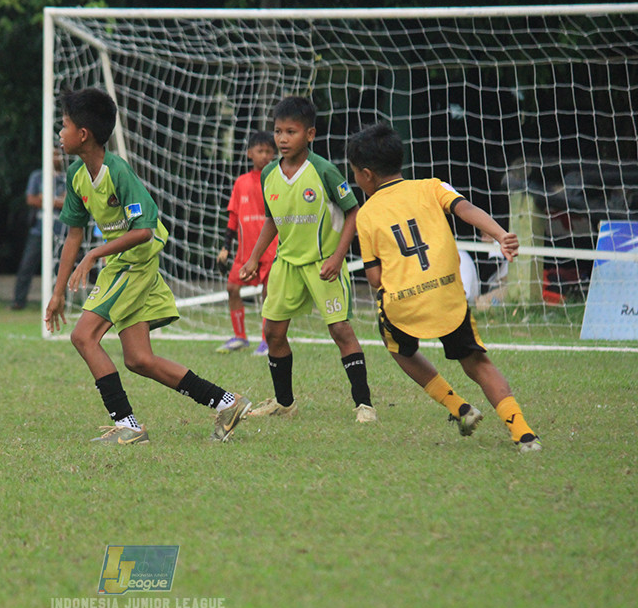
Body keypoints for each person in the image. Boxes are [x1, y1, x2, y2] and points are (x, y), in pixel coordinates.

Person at [44, 88, 252, 444]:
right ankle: (228, 402)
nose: (59, 134)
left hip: (134, 264)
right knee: (139, 359)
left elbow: (143, 231)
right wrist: (57, 291)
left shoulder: (118, 172)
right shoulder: (78, 174)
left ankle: (128, 426)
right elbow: (73, 236)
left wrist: (96, 254)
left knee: (83, 336)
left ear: (83, 134)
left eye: (63, 126)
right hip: (123, 263)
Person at [346, 122, 541, 452]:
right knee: (477, 363)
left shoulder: (366, 215)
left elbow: (375, 278)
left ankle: (459, 407)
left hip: (405, 305)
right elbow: (465, 209)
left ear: (366, 174)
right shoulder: (431, 186)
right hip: (448, 296)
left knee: (397, 346)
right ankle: (524, 433)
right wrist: (498, 234)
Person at [240, 96, 376, 423]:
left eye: (291, 132)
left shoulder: (324, 170)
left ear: (310, 135)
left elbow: (353, 211)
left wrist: (337, 256)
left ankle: (364, 404)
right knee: (272, 332)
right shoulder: (268, 173)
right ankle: (284, 404)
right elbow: (272, 219)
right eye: (278, 131)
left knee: (340, 330)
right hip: (286, 265)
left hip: (322, 264)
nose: (283, 139)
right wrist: (254, 258)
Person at [215, 131, 278, 356]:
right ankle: (240, 336)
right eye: (260, 151)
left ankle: (266, 340)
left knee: (268, 294)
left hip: (270, 249)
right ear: (250, 153)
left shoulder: (275, 179)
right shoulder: (241, 182)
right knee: (232, 288)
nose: (264, 156)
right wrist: (225, 247)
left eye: (269, 152)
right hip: (244, 251)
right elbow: (233, 218)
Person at [11, 146, 67, 310]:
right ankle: (18, 301)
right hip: (38, 230)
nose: (55, 158)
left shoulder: (67, 177)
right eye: (52, 154)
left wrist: (47, 199)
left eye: (58, 155)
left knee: (61, 269)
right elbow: (31, 200)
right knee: (27, 265)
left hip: (60, 230)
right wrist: (56, 201)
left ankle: (62, 302)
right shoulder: (38, 176)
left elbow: (69, 203)